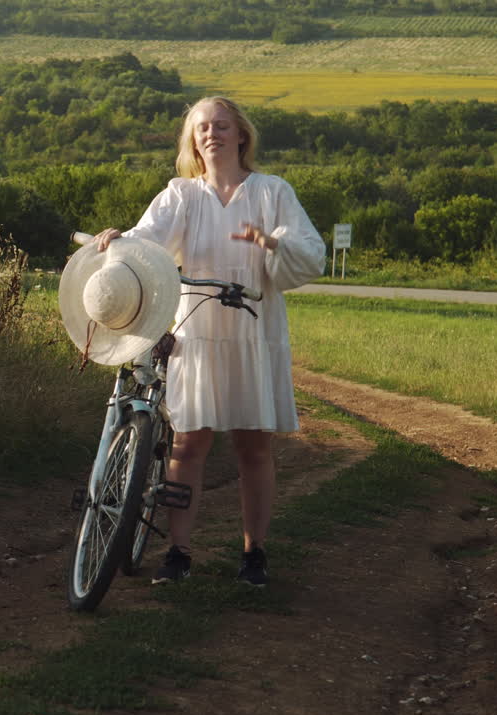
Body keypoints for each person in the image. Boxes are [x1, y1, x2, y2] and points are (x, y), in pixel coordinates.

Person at [88, 96, 325, 586]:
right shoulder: (182, 194)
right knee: (189, 441)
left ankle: (253, 552)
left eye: (221, 125)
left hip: (252, 328)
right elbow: (148, 238)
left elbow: (309, 252)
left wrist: (272, 243)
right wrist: (119, 239)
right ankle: (179, 552)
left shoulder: (272, 191)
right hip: (195, 329)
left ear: (241, 134)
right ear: (192, 141)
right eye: (201, 128)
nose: (211, 133)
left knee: (253, 445)